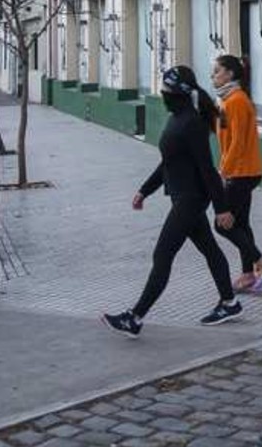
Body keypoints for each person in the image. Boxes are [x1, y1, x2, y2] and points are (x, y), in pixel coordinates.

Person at [103, 65, 243, 336]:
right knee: (210, 250)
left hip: (191, 199)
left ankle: (135, 317)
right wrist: (145, 190)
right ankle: (230, 302)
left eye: (165, 91)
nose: (162, 95)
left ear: (177, 94)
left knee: (162, 254)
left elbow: (207, 169)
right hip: (182, 196)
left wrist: (222, 208)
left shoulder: (191, 123)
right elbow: (168, 162)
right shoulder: (177, 117)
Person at [211, 54, 262, 293]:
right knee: (241, 223)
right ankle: (248, 275)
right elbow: (226, 135)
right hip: (242, 170)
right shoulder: (227, 100)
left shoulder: (236, 101)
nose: (213, 76)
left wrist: (224, 170)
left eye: (217, 71)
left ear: (230, 74)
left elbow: (237, 141)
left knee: (222, 224)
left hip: (241, 172)